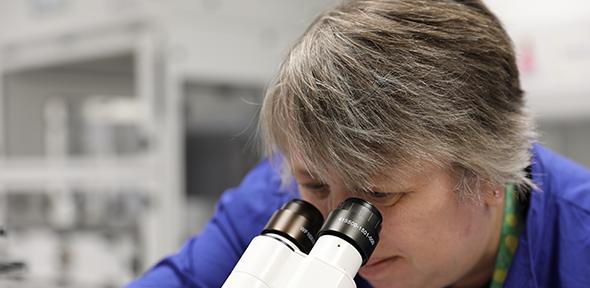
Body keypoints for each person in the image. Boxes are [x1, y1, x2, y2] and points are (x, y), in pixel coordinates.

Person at [127, 0, 590, 287]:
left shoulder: (579, 246)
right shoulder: (278, 199)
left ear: (488, 173)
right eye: (314, 184)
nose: (335, 226)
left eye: (379, 195)